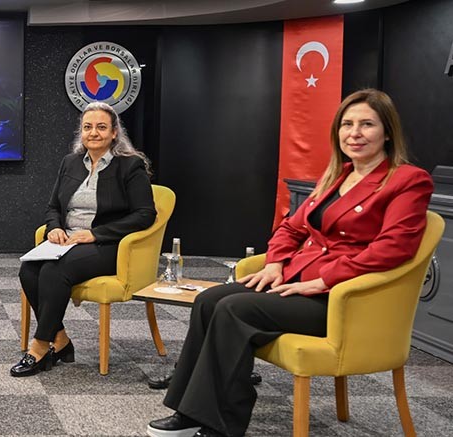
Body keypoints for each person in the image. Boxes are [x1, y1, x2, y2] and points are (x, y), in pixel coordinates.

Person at [147, 89, 434, 437]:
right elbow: (291, 227)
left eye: (367, 125)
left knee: (234, 310)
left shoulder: (407, 180)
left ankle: (220, 423)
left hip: (342, 299)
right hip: (298, 281)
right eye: (347, 124)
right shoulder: (338, 175)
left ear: (387, 132)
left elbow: (394, 248)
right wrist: (275, 263)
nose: (354, 133)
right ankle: (190, 411)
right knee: (208, 300)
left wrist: (324, 280)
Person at [12, 101, 157, 377]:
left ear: (114, 132)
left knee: (54, 271)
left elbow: (145, 215)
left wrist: (95, 234)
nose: (93, 133)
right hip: (66, 241)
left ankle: (39, 347)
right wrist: (54, 227)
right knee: (28, 270)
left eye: (101, 127)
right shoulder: (71, 162)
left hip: (109, 245)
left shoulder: (130, 166)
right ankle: (61, 340)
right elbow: (53, 206)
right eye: (88, 127)